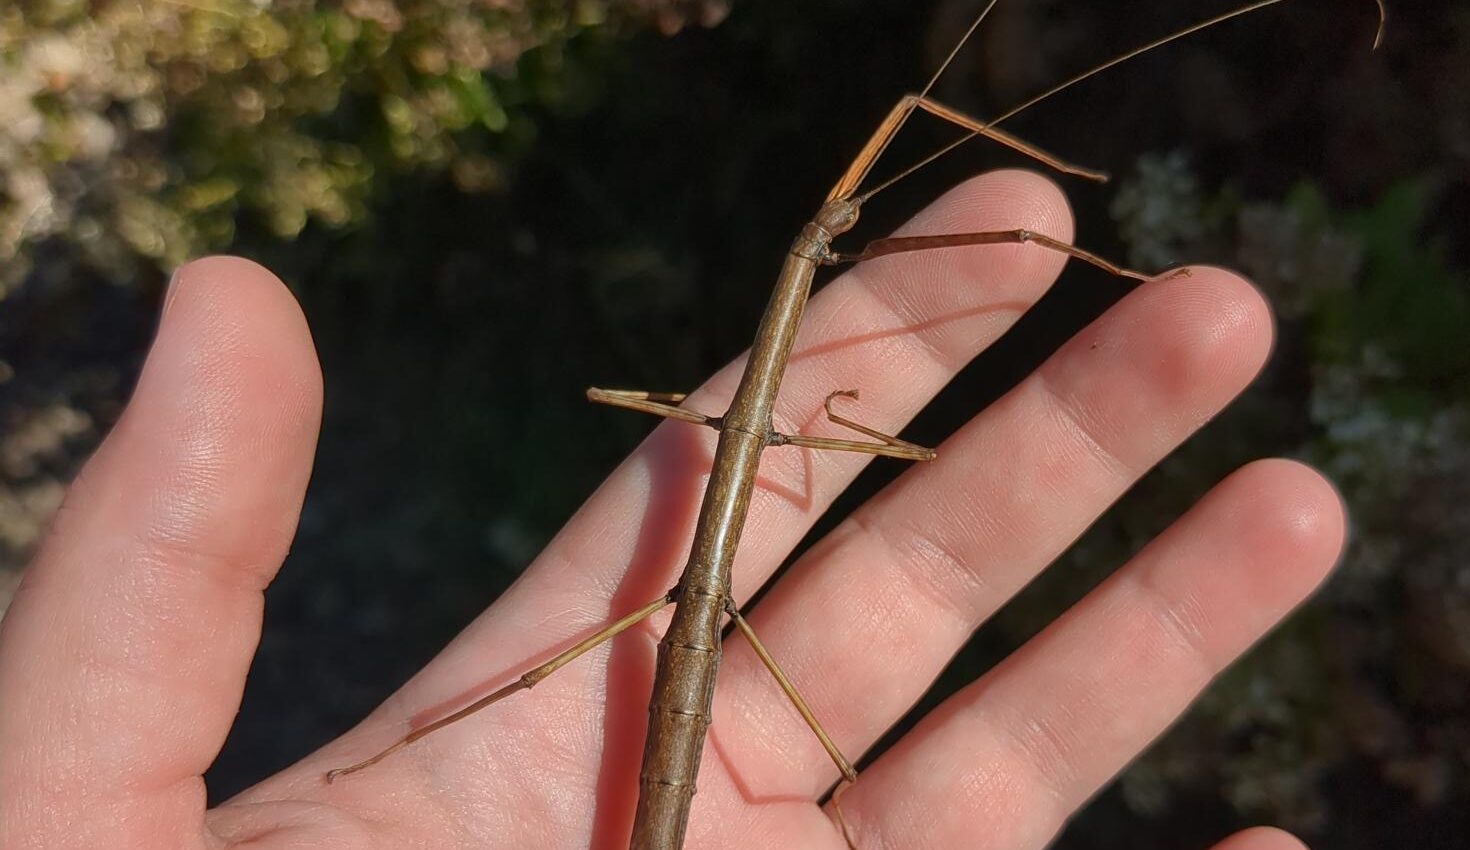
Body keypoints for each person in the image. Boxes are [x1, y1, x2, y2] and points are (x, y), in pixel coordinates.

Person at [0, 171, 1344, 850]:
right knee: (658, 633)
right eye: (820, 244)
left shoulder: (770, 383)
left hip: (691, 625)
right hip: (679, 626)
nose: (828, 239)